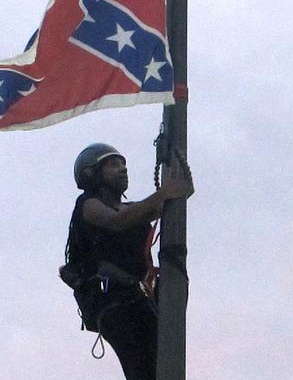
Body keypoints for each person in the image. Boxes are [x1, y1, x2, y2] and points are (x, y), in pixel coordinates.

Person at [60, 142, 194, 380]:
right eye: (113, 164)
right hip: (115, 303)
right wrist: (164, 193)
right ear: (92, 173)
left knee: (159, 365)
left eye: (123, 164)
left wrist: (180, 189)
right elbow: (117, 221)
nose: (122, 169)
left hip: (140, 300)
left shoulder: (129, 208)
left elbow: (152, 209)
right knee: (141, 370)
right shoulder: (88, 204)